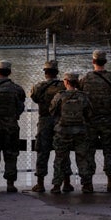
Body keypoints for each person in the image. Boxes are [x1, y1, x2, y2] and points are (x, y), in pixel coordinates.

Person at [79, 50, 111, 192]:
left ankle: (88, 183)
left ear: (93, 61)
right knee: (109, 150)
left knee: (88, 151)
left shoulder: (86, 79)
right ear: (105, 62)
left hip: (90, 120)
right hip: (107, 119)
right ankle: (110, 181)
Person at [29, 59, 72, 193]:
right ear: (57, 72)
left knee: (42, 151)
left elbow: (34, 98)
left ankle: (40, 183)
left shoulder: (38, 87)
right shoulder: (63, 86)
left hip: (45, 121)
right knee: (63, 152)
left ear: (45, 72)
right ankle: (66, 183)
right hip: (60, 121)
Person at [49, 71, 95, 193]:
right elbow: (90, 114)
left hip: (62, 131)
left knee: (60, 158)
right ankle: (87, 185)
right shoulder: (83, 96)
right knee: (82, 157)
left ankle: (57, 185)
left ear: (66, 82)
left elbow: (52, 111)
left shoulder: (60, 96)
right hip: (80, 131)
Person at [0, 60, 26, 193]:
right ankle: (10, 184)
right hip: (11, 127)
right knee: (11, 155)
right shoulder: (17, 89)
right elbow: (21, 106)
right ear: (9, 72)